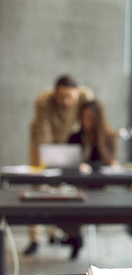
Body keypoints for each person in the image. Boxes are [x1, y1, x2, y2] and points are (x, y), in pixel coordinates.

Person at [24, 74, 93, 256]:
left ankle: (56, 233)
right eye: (62, 97)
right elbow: (44, 133)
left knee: (62, 187)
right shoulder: (44, 101)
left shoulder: (86, 96)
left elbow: (91, 122)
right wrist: (49, 162)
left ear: (78, 93)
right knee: (39, 185)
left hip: (67, 142)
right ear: (55, 93)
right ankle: (35, 238)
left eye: (71, 97)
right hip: (42, 143)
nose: (66, 101)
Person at [57, 100, 119, 259]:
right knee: (57, 205)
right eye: (83, 117)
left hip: (96, 187)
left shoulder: (107, 137)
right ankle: (74, 235)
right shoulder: (75, 137)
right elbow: (66, 162)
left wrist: (90, 165)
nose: (86, 122)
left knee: (78, 203)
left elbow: (109, 163)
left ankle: (74, 236)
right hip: (75, 185)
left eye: (90, 118)